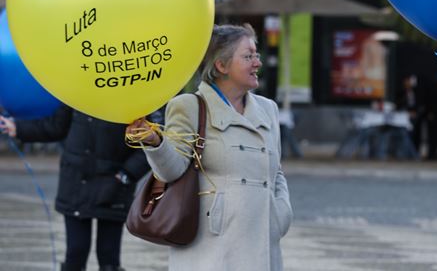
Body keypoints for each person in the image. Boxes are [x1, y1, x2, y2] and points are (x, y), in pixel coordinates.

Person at [126, 24, 293, 271]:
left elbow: (275, 171)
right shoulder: (189, 106)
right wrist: (156, 143)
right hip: (211, 249)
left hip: (263, 244)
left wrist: (281, 213)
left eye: (256, 55)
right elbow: (172, 172)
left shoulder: (268, 109)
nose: (257, 63)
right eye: (248, 56)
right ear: (221, 65)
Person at [0, 106, 155, 271]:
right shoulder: (76, 91)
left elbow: (148, 145)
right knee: (75, 253)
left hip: (113, 186)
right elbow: (56, 126)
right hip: (76, 183)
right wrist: (19, 128)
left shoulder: (135, 96)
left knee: (108, 256)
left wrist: (125, 175)